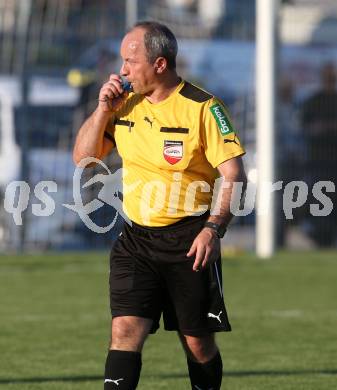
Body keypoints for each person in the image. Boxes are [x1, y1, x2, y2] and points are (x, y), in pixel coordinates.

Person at [73, 21, 247, 390]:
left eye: (130, 61)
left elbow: (234, 175)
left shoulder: (204, 108)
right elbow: (84, 159)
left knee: (197, 342)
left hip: (191, 241)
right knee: (124, 330)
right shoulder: (123, 104)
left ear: (160, 64)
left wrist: (213, 229)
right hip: (136, 241)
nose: (122, 70)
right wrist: (103, 108)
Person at [301, 62, 337, 246]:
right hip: (319, 164)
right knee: (320, 204)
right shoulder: (313, 101)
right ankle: (320, 238)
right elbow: (305, 129)